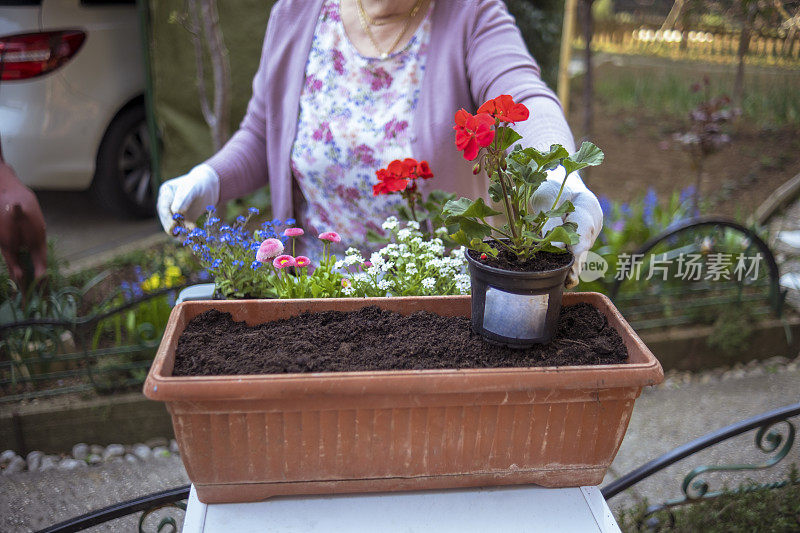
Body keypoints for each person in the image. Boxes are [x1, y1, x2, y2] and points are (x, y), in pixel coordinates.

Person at [157, 0, 602, 287]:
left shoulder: (471, 15)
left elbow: (521, 94)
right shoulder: (295, 15)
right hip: (316, 291)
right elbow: (261, 134)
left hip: (432, 296)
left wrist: (559, 177)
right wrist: (209, 179)